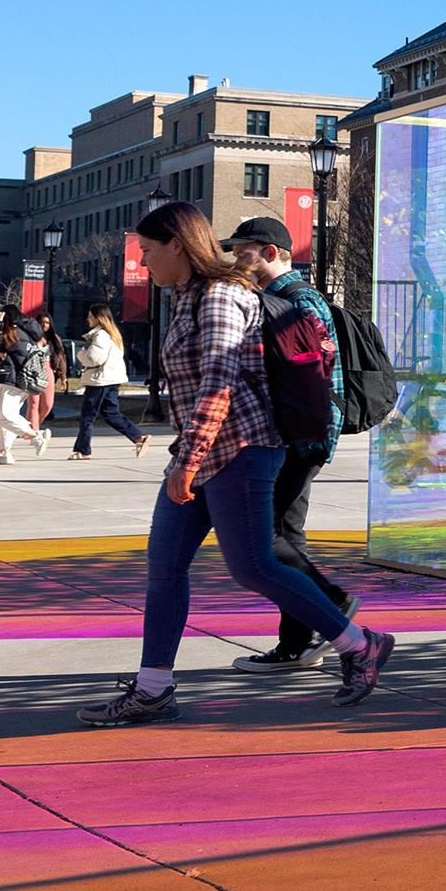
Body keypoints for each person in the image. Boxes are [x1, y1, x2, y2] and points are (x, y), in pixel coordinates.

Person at [80, 200, 393, 726]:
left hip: (243, 449)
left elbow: (218, 384)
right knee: (164, 568)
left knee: (253, 565)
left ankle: (359, 644)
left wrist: (186, 461)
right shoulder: (187, 296)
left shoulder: (222, 296)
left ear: (178, 245)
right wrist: (188, 456)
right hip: (203, 450)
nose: (144, 262)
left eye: (148, 251)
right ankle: (154, 687)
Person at [217, 215, 360, 674]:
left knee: (270, 537)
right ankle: (299, 639)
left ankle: (325, 608)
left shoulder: (295, 300)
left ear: (272, 253)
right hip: (299, 434)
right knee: (282, 535)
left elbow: (308, 375)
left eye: (244, 252)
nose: (238, 260)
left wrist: (300, 436)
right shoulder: (281, 298)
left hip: (299, 436)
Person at [67, 305, 148, 458]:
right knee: (111, 414)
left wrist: (80, 354)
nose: (88, 319)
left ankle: (83, 451)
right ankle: (138, 437)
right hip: (110, 379)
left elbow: (93, 358)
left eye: (90, 316)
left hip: (100, 380)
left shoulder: (101, 335)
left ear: (99, 318)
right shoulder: (112, 335)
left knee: (87, 416)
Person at [0, 320, 50, 465]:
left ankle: (36, 436)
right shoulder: (27, 335)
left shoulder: (14, 333)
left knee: (3, 416)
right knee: (3, 417)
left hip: (13, 381)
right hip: (23, 381)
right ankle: (3, 452)